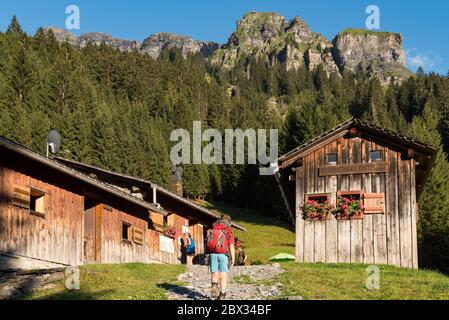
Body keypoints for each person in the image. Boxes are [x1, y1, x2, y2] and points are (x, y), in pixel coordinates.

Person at [206, 214, 235, 300]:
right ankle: (222, 293)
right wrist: (233, 258)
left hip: (213, 254)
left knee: (214, 272)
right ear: (229, 223)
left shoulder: (214, 228)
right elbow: (231, 246)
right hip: (223, 255)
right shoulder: (229, 231)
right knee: (223, 275)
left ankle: (214, 284)